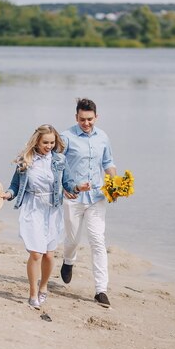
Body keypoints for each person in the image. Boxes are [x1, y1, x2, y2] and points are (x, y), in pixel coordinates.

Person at [1, 124, 90, 309]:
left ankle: (43, 287)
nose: (49, 146)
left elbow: (68, 183)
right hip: (32, 208)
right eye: (45, 142)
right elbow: (15, 186)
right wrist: (7, 195)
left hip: (53, 209)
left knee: (49, 255)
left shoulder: (59, 160)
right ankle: (33, 294)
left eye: (52, 142)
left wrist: (78, 187)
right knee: (35, 253)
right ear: (36, 141)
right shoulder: (25, 160)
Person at [60, 98, 117, 308]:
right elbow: (57, 166)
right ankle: (68, 261)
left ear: (96, 117)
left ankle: (101, 290)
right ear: (76, 117)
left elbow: (108, 163)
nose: (86, 123)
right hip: (73, 197)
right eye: (82, 119)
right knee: (72, 239)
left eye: (90, 119)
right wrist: (66, 187)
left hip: (97, 198)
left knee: (97, 241)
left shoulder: (103, 137)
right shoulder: (66, 137)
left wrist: (114, 183)